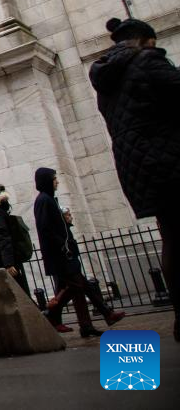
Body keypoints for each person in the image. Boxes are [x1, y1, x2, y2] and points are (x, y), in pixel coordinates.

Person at [89, 17, 180, 342]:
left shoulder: (105, 79)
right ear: (146, 40)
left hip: (138, 168)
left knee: (171, 237)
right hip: (171, 157)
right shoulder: (147, 61)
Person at [32, 167, 100, 338]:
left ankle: (86, 324)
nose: (57, 182)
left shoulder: (49, 199)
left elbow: (55, 226)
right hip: (60, 255)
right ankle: (51, 314)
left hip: (64, 252)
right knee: (78, 286)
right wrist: (62, 244)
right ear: (47, 180)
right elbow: (45, 229)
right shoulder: (43, 200)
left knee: (76, 287)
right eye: (54, 178)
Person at [59, 208, 126, 328]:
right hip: (68, 265)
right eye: (68, 215)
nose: (71, 217)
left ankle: (103, 317)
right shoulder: (62, 229)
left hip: (72, 264)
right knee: (72, 292)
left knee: (83, 290)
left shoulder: (66, 229)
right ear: (62, 217)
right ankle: (51, 314)